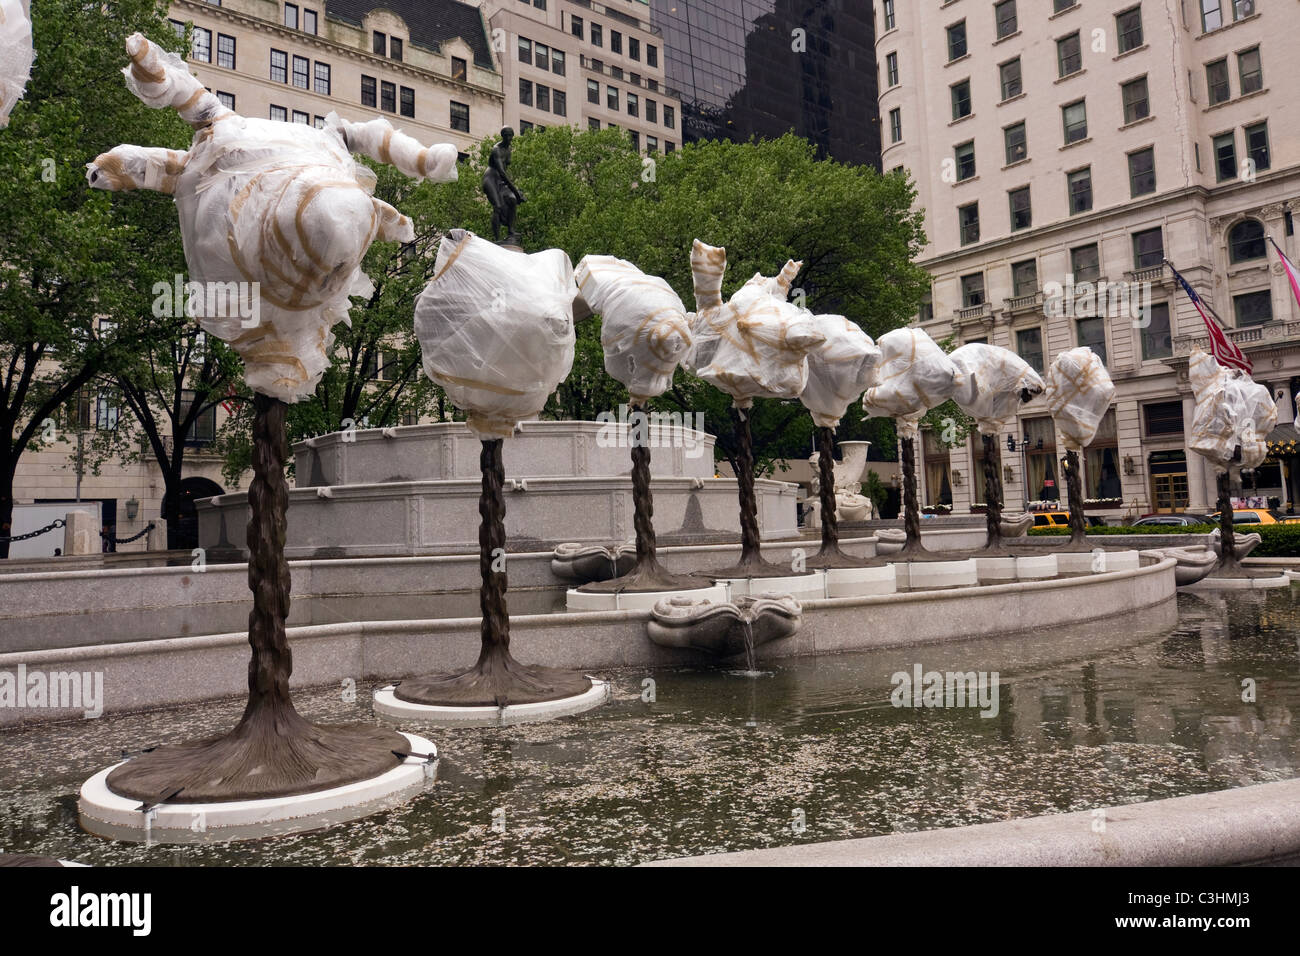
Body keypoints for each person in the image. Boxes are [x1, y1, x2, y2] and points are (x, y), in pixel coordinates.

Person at [482, 127, 525, 244]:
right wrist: (515, 191)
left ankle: (511, 231)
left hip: (500, 181)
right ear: (502, 136)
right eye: (506, 135)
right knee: (498, 207)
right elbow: (502, 171)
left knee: (512, 199)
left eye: (510, 135)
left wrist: (516, 194)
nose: (508, 138)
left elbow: (505, 172)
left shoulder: (508, 150)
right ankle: (497, 240)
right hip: (490, 179)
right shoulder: (496, 150)